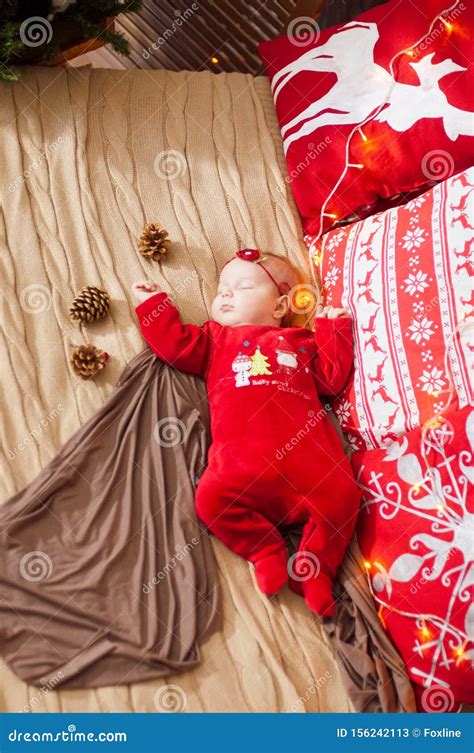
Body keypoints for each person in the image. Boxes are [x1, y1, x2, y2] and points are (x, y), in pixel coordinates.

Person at [132, 248, 362, 616]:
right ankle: (263, 548)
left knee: (345, 498)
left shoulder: (300, 342)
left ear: (280, 306)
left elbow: (331, 380)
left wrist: (333, 329)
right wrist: (154, 305)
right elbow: (174, 346)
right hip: (243, 469)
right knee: (210, 499)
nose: (225, 294)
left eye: (241, 287)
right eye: (222, 288)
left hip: (313, 467)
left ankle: (317, 568)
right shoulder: (213, 341)